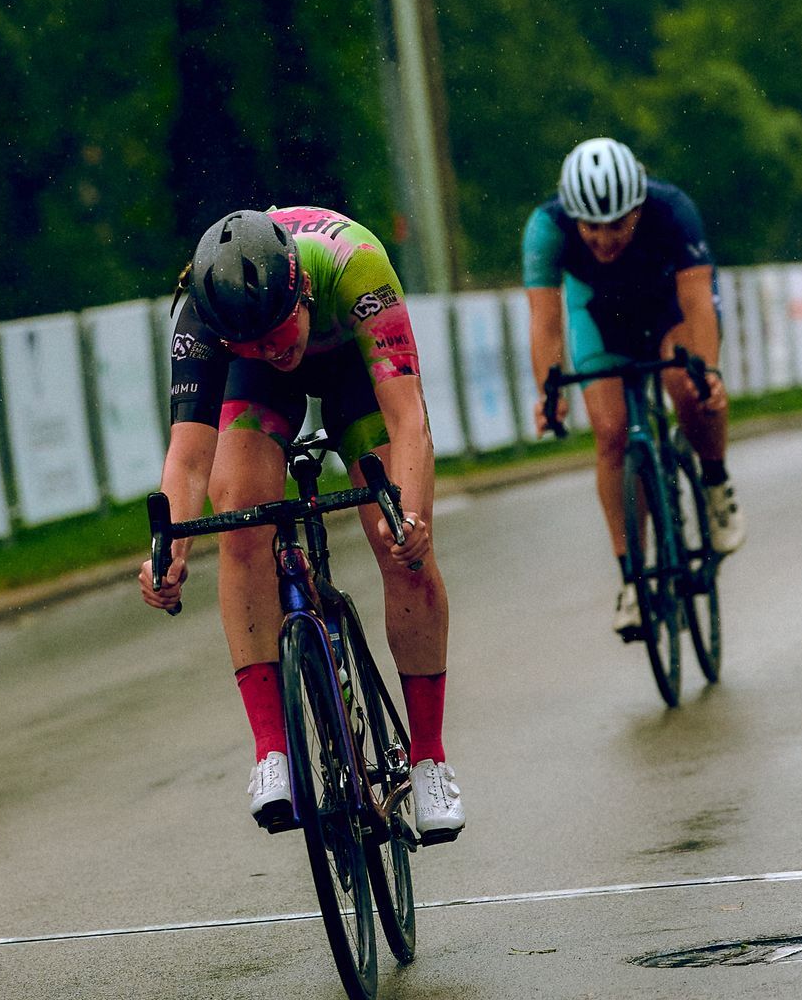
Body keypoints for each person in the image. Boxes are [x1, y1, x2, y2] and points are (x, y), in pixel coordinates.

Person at [139, 205, 464, 846]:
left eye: (278, 330)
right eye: (253, 341)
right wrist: (167, 552)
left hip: (351, 365)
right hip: (255, 391)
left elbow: (408, 423)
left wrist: (414, 520)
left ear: (301, 289)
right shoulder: (204, 314)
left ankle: (429, 759)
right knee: (240, 515)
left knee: (394, 538)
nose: (273, 348)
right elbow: (188, 458)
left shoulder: (356, 267)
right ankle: (273, 751)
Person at [523, 137, 744, 642]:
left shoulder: (672, 209)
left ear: (638, 207)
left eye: (618, 224)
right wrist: (549, 394)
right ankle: (631, 580)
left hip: (667, 308)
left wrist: (708, 372)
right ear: (571, 214)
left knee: (685, 386)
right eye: (591, 226)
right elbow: (546, 321)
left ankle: (715, 483)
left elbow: (697, 302)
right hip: (600, 317)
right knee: (611, 433)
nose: (603, 239)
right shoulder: (546, 227)